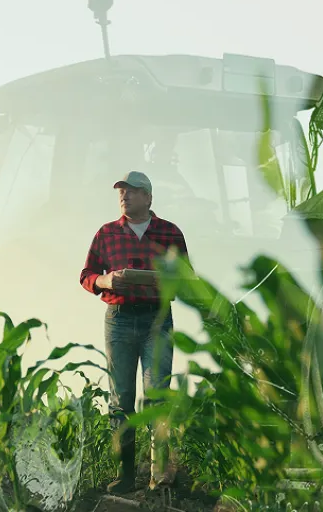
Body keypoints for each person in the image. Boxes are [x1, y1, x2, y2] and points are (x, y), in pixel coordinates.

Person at [79, 171, 190, 494]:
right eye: (121, 192)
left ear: (149, 197)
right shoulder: (106, 234)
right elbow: (87, 274)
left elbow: (187, 278)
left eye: (132, 191)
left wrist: (166, 281)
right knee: (121, 399)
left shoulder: (170, 233)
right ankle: (126, 475)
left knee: (157, 395)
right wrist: (107, 280)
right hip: (119, 320)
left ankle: (159, 476)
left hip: (157, 320)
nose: (124, 196)